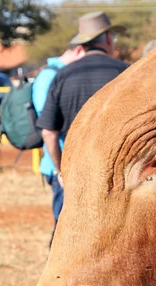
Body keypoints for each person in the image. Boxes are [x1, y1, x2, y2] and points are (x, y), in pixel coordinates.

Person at [37, 11, 129, 194]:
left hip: (74, 176)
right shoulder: (127, 73)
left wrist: (61, 170)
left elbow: (48, 132)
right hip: (118, 178)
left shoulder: (62, 75)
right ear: (109, 39)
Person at [32, 42, 85, 235]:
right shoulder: (51, 75)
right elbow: (47, 123)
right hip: (59, 165)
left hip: (66, 163)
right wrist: (60, 168)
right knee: (65, 229)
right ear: (79, 50)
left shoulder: (60, 74)